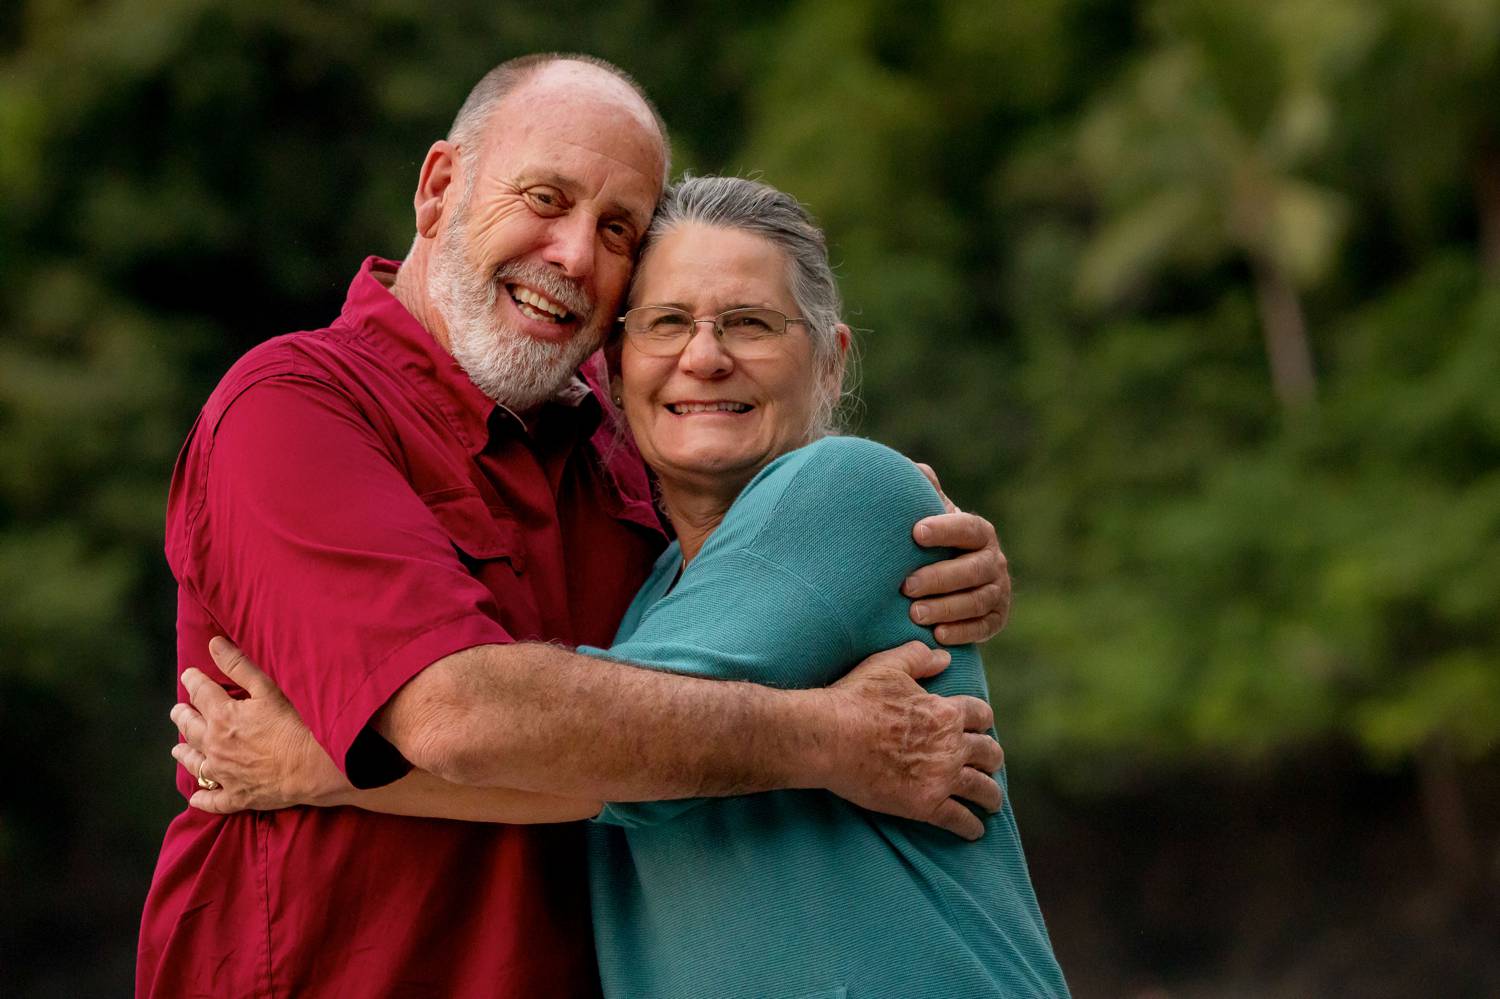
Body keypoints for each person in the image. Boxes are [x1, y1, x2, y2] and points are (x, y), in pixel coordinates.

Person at [141, 54, 1014, 998]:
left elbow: (762, 490)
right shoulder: (293, 410)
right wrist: (833, 740)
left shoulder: (625, 443)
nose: (572, 255)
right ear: (439, 188)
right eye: (545, 199)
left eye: (617, 230)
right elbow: (457, 712)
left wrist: (910, 520)